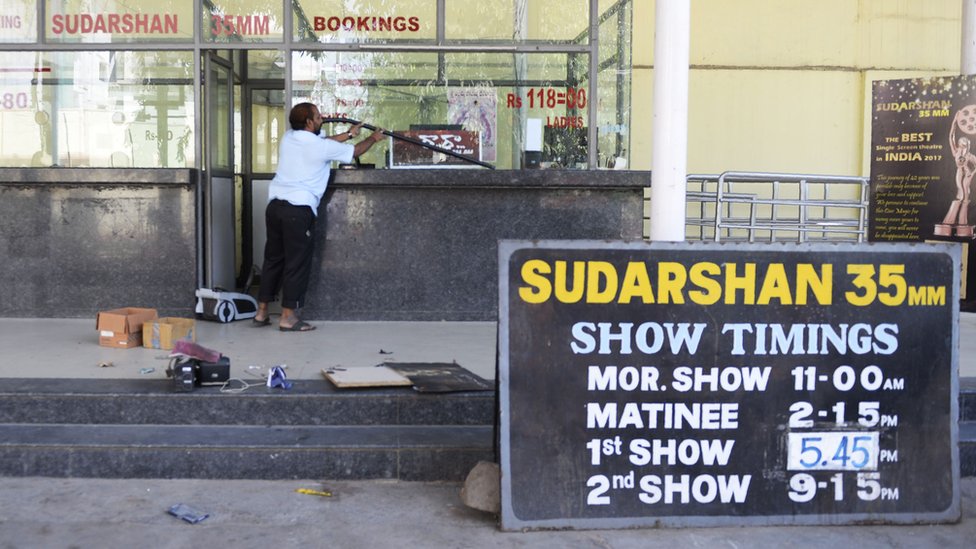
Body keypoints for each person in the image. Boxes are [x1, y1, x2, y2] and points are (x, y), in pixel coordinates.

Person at [253, 102, 385, 331]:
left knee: (273, 259)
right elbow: (353, 152)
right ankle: (288, 317)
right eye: (318, 116)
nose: (322, 119)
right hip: (298, 210)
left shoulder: (288, 138)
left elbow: (323, 144)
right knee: (296, 264)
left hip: (275, 206)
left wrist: (348, 134)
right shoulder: (318, 146)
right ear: (309, 122)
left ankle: (261, 313)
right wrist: (373, 138)